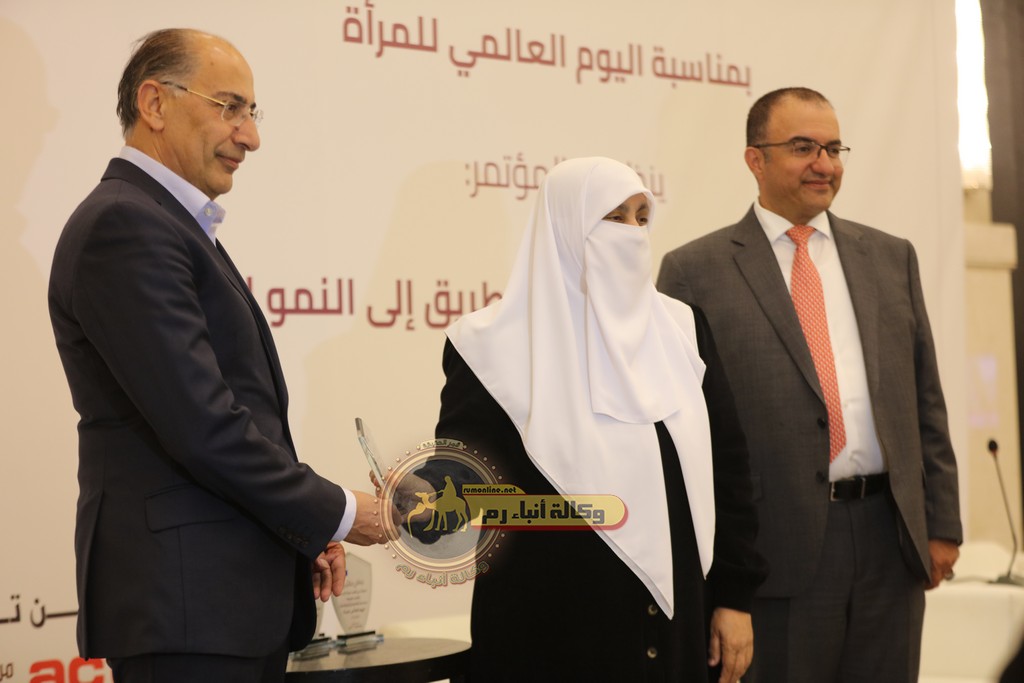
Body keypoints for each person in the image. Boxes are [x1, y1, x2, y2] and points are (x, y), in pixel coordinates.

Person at [48, 28, 383, 682]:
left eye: (252, 112)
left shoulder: (162, 223)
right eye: (230, 107)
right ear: (154, 103)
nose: (250, 136)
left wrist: (299, 530)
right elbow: (204, 425)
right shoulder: (125, 224)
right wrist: (339, 509)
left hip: (219, 606)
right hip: (186, 612)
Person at [656, 87, 962, 682]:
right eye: (803, 148)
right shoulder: (694, 271)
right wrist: (719, 579)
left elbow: (925, 398)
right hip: (771, 551)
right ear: (756, 159)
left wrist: (942, 523)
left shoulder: (891, 257)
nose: (824, 164)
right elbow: (683, 435)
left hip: (890, 543)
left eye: (833, 148)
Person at [434, 157, 767, 681]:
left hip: (676, 624)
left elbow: (728, 470)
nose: (632, 232)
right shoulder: (489, 346)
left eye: (641, 217)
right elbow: (466, 483)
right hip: (548, 628)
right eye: (613, 217)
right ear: (565, 227)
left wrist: (734, 596)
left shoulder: (682, 329)